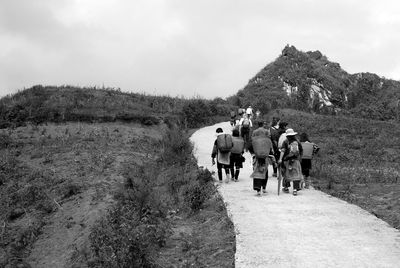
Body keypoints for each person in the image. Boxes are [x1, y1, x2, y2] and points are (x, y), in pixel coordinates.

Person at [249, 124, 274, 195]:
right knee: (265, 172)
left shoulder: (254, 136)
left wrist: (253, 153)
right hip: (265, 157)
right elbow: (271, 149)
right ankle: (264, 188)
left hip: (256, 157)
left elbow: (250, 146)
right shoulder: (268, 139)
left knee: (257, 172)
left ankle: (258, 190)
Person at [278, 128, 303, 195]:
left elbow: (282, 151)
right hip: (296, 160)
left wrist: (280, 159)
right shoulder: (297, 141)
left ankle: (286, 188)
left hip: (287, 160)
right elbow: (301, 150)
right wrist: (300, 158)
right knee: (296, 175)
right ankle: (295, 189)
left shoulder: (285, 141)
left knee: (286, 174)